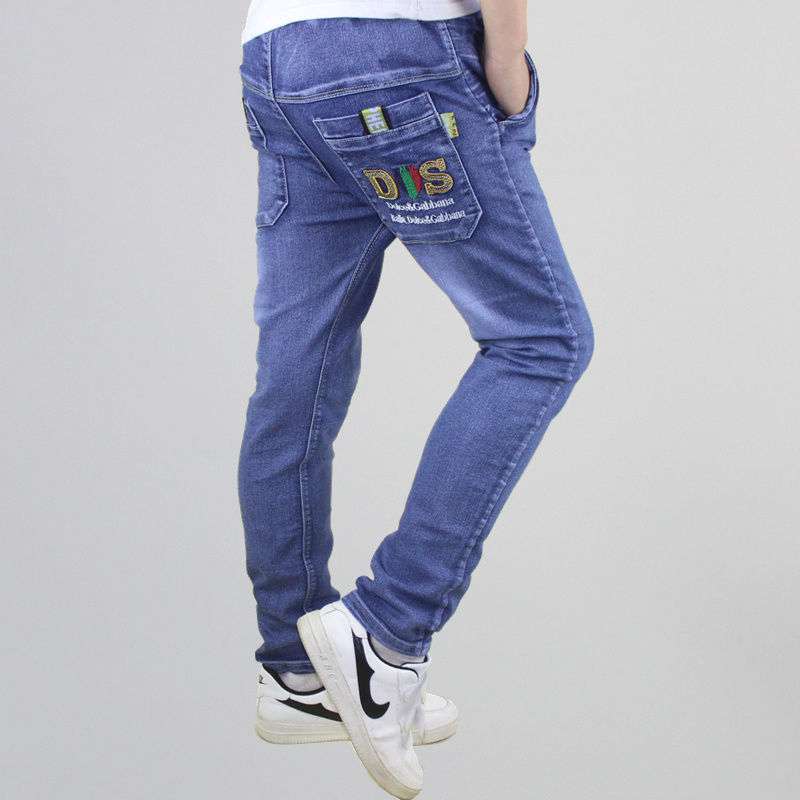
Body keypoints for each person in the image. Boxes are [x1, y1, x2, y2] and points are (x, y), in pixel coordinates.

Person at [238, 1, 593, 796]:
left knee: (297, 375)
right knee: (543, 340)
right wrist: (507, 61)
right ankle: (386, 633)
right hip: (399, 54)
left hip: (276, 61)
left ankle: (297, 672)